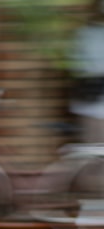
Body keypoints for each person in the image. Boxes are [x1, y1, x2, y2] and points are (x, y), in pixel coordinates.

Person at [70, 1, 104, 143]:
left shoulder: (85, 34)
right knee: (95, 150)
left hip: (91, 100)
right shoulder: (88, 35)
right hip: (94, 100)